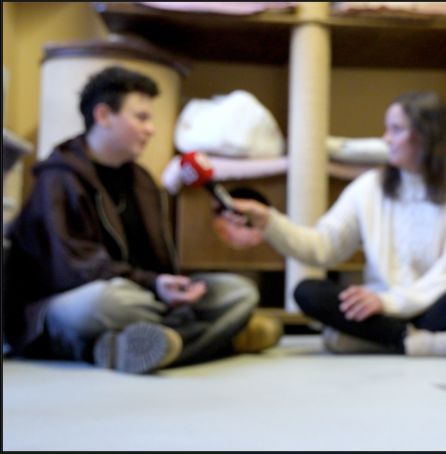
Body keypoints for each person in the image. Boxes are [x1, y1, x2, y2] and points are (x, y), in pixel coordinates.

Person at [2, 65, 282, 374]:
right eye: (141, 117)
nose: (151, 129)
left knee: (239, 291)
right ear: (103, 115)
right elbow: (75, 271)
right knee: (108, 302)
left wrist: (172, 286)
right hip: (72, 302)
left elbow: (159, 265)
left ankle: (122, 347)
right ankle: (223, 338)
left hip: (145, 295)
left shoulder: (143, 181)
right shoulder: (58, 180)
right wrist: (154, 284)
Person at [218, 91, 446, 357]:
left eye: (396, 129)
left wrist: (390, 302)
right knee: (307, 291)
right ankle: (428, 343)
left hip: (435, 306)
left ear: (426, 135)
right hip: (378, 310)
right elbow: (323, 246)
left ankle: (371, 339)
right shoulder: (368, 187)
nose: (386, 139)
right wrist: (268, 220)